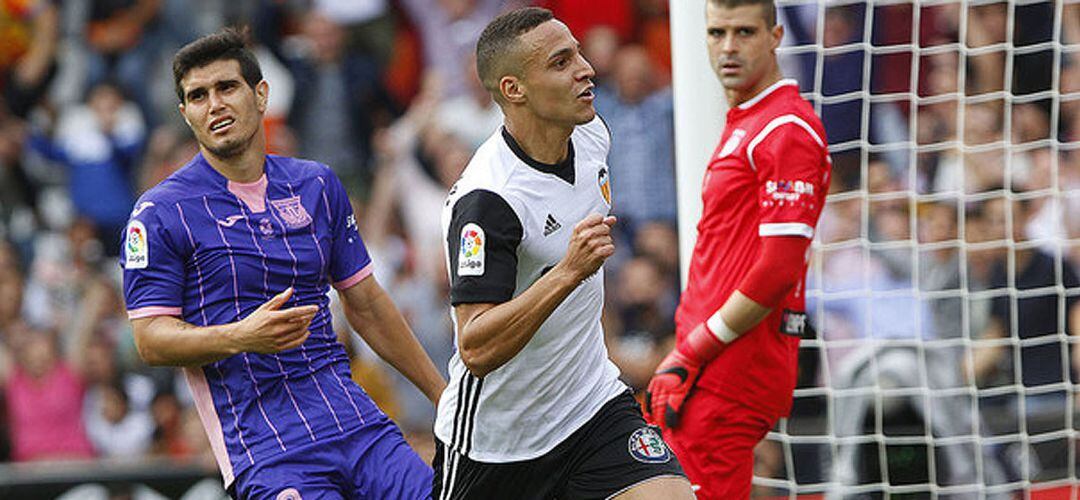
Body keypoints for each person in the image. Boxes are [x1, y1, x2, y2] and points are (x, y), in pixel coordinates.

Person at [120, 28, 446, 498]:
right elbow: (150, 339)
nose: (214, 105)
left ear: (261, 95)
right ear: (185, 113)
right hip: (269, 450)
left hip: (356, 424)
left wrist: (443, 396)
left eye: (226, 87)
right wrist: (240, 336)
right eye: (198, 96)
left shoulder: (316, 184)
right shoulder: (160, 212)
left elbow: (367, 303)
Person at [432, 8, 694, 500]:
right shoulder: (489, 200)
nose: (586, 69)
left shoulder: (592, 134)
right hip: (499, 444)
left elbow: (590, 284)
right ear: (514, 89)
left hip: (591, 406)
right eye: (561, 62)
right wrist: (566, 272)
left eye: (578, 53)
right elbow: (476, 347)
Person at [643, 1, 831, 498]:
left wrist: (694, 350)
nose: (728, 47)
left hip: (730, 365)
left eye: (744, 32)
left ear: (776, 36)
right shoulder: (750, 120)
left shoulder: (786, 129)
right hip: (711, 360)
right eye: (717, 33)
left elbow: (778, 267)